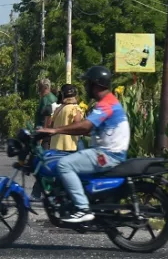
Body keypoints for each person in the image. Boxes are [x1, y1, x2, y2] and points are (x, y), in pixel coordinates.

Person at [36, 66, 129, 224]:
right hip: (105, 151)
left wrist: (55, 130)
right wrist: (56, 131)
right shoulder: (107, 102)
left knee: (64, 165)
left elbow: (85, 126)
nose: (86, 87)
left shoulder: (107, 104)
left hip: (107, 154)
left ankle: (82, 208)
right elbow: (85, 129)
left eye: (88, 83)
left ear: (96, 85)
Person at [47, 84, 85, 153]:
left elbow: (51, 125)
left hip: (55, 146)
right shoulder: (75, 108)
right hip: (70, 147)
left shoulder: (58, 109)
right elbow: (78, 126)